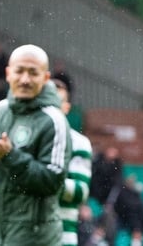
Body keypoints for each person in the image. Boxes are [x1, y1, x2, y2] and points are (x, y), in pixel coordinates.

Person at [0, 44, 71, 246]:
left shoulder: (54, 120)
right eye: (19, 71)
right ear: (8, 73)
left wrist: (9, 155)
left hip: (36, 239)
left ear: (46, 78)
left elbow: (51, 181)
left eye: (33, 73)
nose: (25, 79)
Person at [54, 79, 93, 246]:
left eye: (58, 102)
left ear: (66, 107)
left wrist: (39, 183)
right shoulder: (25, 138)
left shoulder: (78, 142)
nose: (51, 107)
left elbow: (80, 191)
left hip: (62, 237)